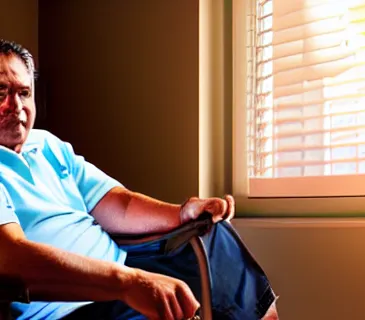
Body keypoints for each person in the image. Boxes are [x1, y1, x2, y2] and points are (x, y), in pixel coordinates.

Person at [0, 39, 278, 320]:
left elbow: (119, 205)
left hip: (126, 266)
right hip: (68, 307)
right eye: (1, 92)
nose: (16, 106)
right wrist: (127, 283)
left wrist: (182, 213)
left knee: (216, 237)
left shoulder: (48, 145)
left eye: (24, 93)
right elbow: (12, 259)